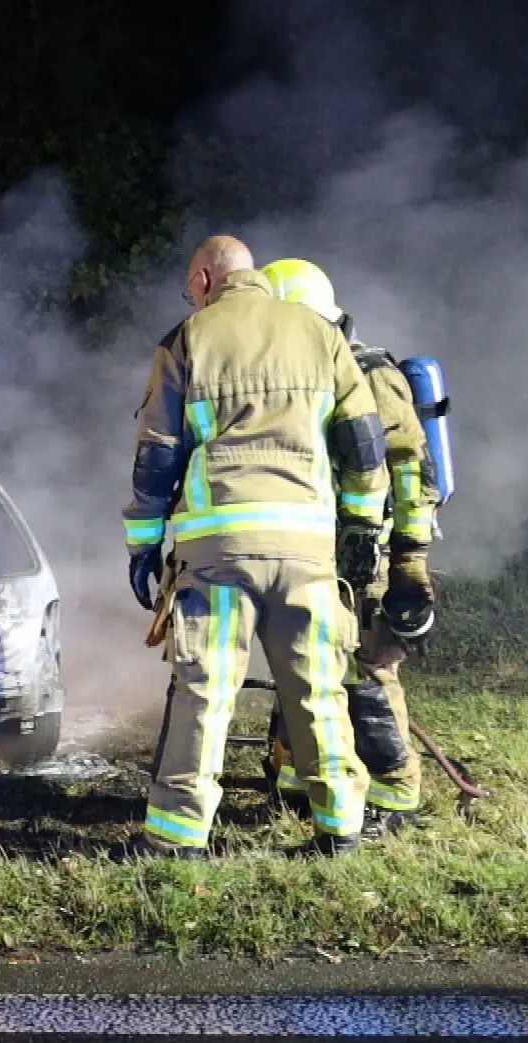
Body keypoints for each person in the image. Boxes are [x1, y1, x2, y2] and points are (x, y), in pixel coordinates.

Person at [122, 236, 390, 859]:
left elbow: (156, 454)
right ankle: (340, 830)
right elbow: (364, 444)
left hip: (218, 552)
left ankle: (178, 839)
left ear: (207, 276)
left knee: (205, 691)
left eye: (190, 284)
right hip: (306, 549)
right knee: (317, 688)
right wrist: (359, 530)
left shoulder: (189, 338)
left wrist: (142, 544)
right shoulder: (321, 335)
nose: (190, 295)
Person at [260, 258, 440, 836]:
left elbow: (411, 471)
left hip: (368, 554)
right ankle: (297, 781)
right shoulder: (305, 373)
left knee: (366, 667)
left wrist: (408, 559)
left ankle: (394, 792)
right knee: (302, 655)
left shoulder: (371, 375)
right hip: (313, 544)